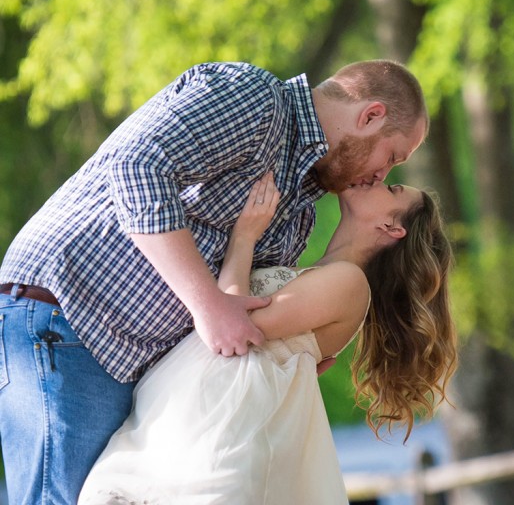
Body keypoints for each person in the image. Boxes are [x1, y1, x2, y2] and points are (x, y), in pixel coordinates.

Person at [0, 59, 427, 505]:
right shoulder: (258, 100)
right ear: (370, 115)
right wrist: (206, 304)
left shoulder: (300, 210)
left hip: (131, 370)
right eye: (392, 156)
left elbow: (241, 314)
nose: (384, 174)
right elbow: (137, 165)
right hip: (68, 318)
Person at [78, 171, 457, 505]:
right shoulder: (317, 274)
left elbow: (230, 328)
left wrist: (245, 234)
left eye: (392, 188)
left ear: (393, 229)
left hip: (217, 445)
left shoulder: (350, 283)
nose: (377, 179)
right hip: (179, 431)